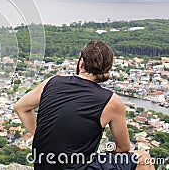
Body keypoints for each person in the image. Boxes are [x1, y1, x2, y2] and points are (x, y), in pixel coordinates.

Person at [14, 40, 154, 170]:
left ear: (81, 63)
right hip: (78, 166)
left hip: (43, 164)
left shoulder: (52, 82)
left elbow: (20, 107)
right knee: (144, 159)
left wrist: (41, 135)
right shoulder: (111, 101)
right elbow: (123, 148)